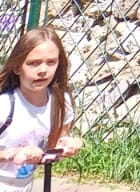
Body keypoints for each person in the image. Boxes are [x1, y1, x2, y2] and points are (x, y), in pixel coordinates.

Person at [0, 28, 81, 188]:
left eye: (51, 62)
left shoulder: (60, 102)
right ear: (17, 67)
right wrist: (12, 154)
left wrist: (66, 146)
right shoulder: (5, 105)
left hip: (23, 185)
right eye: (33, 63)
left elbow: (54, 145)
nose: (43, 70)